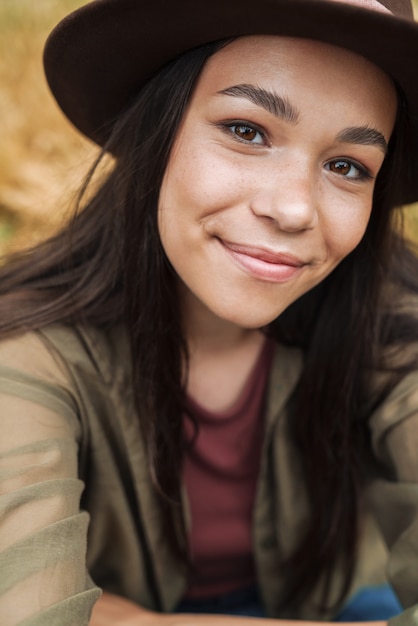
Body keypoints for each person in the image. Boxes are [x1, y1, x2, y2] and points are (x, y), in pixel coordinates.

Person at [1, 0, 418, 624]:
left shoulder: (395, 323)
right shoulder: (24, 350)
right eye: (248, 131)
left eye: (346, 166)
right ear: (157, 130)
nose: (295, 209)